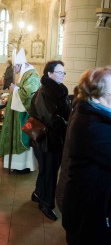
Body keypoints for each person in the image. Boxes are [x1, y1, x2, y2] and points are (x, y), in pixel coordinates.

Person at [57, 67, 111, 245]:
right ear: (96, 94)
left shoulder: (92, 112)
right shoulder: (91, 124)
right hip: (87, 212)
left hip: (88, 206)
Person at [30, 60, 71, 221]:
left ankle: (38, 193)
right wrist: (70, 125)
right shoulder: (45, 92)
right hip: (46, 141)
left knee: (46, 170)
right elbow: (52, 119)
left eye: (63, 72)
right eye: (59, 72)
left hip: (54, 139)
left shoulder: (56, 90)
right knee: (49, 173)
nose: (62, 75)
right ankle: (46, 204)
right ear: (49, 73)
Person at [0, 48, 41, 173]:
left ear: (20, 65)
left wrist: (15, 90)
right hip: (16, 113)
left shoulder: (31, 74)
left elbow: (30, 95)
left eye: (15, 67)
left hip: (23, 115)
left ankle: (23, 166)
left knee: (22, 139)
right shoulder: (24, 73)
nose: (14, 70)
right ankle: (15, 164)